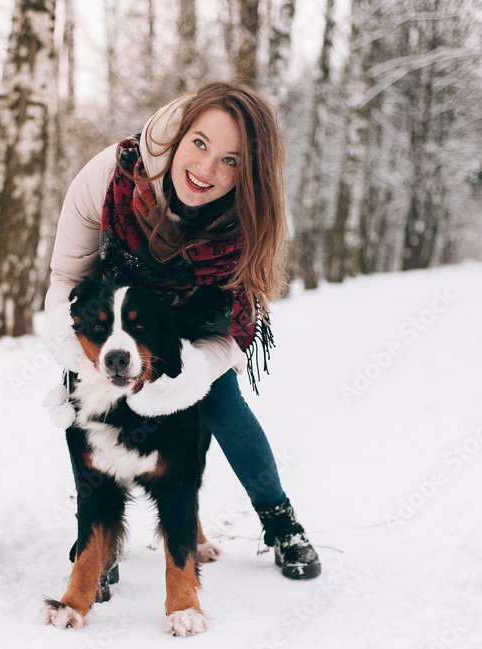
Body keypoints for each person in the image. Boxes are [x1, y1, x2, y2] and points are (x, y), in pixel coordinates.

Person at [44, 81, 321, 580]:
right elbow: (66, 278)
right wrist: (80, 356)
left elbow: (235, 330)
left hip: (198, 322)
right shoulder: (109, 175)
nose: (206, 169)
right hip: (118, 314)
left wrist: (191, 371)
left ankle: (280, 522)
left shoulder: (254, 219)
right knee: (81, 404)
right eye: (200, 144)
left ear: (249, 172)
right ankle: (96, 541)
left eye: (231, 161)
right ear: (180, 135)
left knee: (219, 403)